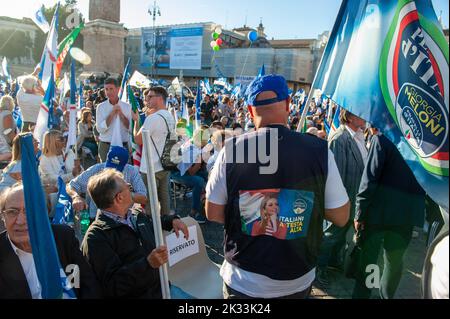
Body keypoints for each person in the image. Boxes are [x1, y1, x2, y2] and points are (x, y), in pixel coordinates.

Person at [206, 74, 350, 299]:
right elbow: (341, 216)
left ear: (251, 110)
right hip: (296, 280)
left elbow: (213, 212)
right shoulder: (320, 151)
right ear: (288, 104)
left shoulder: (232, 149)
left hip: (243, 279)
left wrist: (251, 215)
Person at [81, 169, 188, 298]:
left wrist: (172, 220)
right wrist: (147, 264)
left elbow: (152, 223)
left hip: (162, 288)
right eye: (129, 188)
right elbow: (113, 286)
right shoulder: (96, 237)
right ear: (119, 198)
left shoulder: (134, 215)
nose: (133, 192)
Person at [352, 131, 425, 299]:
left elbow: (370, 178)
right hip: (406, 215)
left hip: (378, 214)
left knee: (371, 262)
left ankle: (364, 296)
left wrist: (359, 212)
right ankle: (385, 296)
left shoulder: (382, 139)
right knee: (394, 263)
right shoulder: (422, 144)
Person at [0, 183, 102, 299]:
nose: (20, 221)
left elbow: (87, 284)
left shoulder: (63, 237)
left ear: (45, 215)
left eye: (30, 212)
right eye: (12, 211)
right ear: (3, 216)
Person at [317, 109, 368, 285]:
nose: (365, 116)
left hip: (352, 197)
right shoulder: (340, 139)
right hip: (342, 199)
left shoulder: (358, 136)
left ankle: (332, 261)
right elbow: (336, 175)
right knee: (330, 234)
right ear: (351, 117)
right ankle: (318, 267)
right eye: (361, 114)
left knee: (341, 233)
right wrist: (340, 203)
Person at [67, 146, 147, 221]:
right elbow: (72, 185)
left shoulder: (132, 171)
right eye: (109, 167)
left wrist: (125, 194)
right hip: (98, 217)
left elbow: (143, 198)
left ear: (125, 164)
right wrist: (76, 197)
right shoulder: (96, 169)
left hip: (125, 217)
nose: (111, 172)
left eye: (116, 169)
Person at [133, 87, 175, 216]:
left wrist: (136, 121)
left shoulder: (152, 118)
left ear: (160, 98)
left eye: (150, 97)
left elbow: (137, 140)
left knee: (150, 201)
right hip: (166, 163)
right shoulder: (169, 115)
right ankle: (167, 224)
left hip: (150, 167)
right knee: (165, 198)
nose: (146, 100)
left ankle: (152, 229)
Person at [171, 127, 210, 224]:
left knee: (208, 175)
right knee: (199, 181)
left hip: (187, 171)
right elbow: (192, 172)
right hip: (178, 173)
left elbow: (202, 168)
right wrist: (201, 159)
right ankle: (194, 211)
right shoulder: (190, 149)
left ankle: (207, 204)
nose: (207, 141)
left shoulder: (197, 147)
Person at [95, 77, 132, 162]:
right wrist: (112, 114)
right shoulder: (100, 107)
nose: (108, 92)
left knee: (123, 173)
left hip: (123, 145)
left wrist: (121, 115)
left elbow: (130, 129)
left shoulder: (127, 107)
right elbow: (100, 129)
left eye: (111, 89)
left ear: (118, 89)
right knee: (106, 174)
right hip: (106, 146)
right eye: (106, 89)